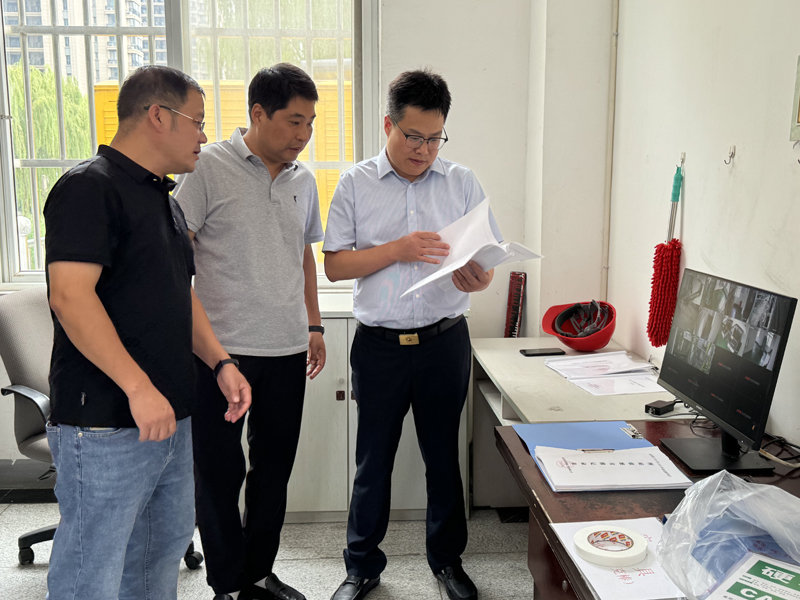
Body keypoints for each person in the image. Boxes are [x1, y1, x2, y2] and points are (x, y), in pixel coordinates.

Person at [43, 65, 252, 600]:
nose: (205, 135)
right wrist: (138, 388)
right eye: (198, 121)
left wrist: (221, 361)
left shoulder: (165, 199)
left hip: (170, 414)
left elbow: (179, 294)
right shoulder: (89, 188)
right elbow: (70, 296)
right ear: (159, 115)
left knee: (160, 553)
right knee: (93, 568)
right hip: (106, 422)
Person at [322, 69, 502, 600]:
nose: (424, 149)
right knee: (372, 461)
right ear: (388, 125)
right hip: (379, 347)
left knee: (444, 459)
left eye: (435, 138)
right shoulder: (356, 183)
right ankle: (361, 566)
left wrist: (480, 279)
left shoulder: (462, 182)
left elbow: (485, 261)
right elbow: (334, 265)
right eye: (413, 136)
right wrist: (398, 249)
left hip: (445, 341)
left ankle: (447, 563)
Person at [173, 63, 325, 600]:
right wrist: (209, 349)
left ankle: (259, 572)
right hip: (220, 353)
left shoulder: (303, 179)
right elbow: (177, 258)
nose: (304, 134)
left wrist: (314, 323)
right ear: (258, 113)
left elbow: (303, 255)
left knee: (273, 470)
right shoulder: (206, 167)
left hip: (286, 347)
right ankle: (228, 583)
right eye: (294, 121)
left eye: (310, 123)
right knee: (218, 473)